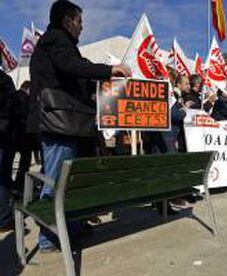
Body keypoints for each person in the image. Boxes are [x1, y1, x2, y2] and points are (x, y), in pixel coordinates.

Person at [29, 0, 131, 252]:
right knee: (56, 180)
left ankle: (70, 229)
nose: (82, 27)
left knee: (68, 181)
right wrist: (110, 70)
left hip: (67, 125)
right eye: (79, 21)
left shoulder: (62, 45)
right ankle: (49, 239)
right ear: (67, 20)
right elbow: (71, 67)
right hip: (58, 125)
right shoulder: (55, 40)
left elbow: (75, 75)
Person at [0, 69, 16, 232]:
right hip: (3, 137)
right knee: (3, 178)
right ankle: (4, 220)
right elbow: (11, 107)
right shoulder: (4, 80)